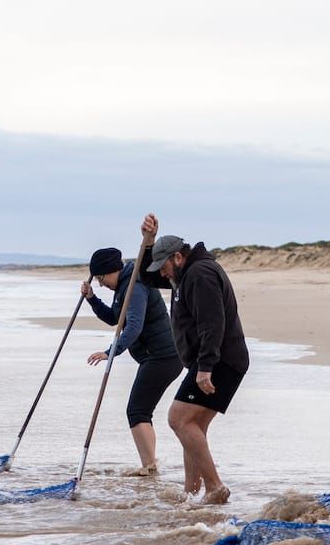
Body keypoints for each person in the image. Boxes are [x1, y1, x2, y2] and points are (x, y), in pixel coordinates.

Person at [142, 213, 248, 504]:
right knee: (192, 425)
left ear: (177, 257)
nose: (161, 274)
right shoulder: (182, 274)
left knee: (178, 419)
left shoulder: (200, 274)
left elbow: (213, 324)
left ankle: (215, 487)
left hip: (219, 361)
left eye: (163, 266)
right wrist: (148, 241)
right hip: (214, 360)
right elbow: (145, 277)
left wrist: (205, 368)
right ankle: (191, 492)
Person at [81, 245, 184, 477]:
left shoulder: (135, 285)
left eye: (100, 278)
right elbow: (115, 319)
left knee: (137, 411)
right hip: (156, 357)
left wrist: (110, 352)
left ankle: (149, 467)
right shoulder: (124, 286)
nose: (100, 283)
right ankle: (150, 465)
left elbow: (134, 327)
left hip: (164, 356)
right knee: (140, 410)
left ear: (111, 270)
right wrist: (91, 299)